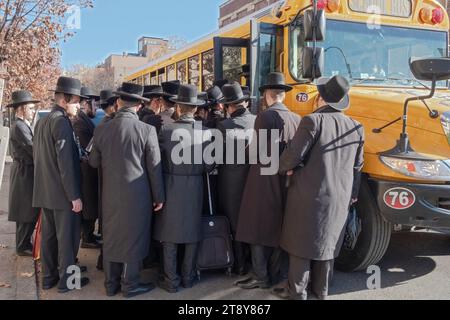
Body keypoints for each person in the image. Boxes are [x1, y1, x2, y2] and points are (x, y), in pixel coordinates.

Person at [274, 76, 365, 300]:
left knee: (301, 244)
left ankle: (297, 292)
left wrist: (283, 167)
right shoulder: (357, 126)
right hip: (341, 196)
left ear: (321, 98)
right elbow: (358, 166)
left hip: (309, 194)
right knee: (327, 243)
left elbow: (292, 156)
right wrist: (353, 195)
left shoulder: (312, 121)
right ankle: (321, 291)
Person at [89, 82, 165, 299]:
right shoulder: (146, 130)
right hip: (138, 194)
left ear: (119, 102)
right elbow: (154, 167)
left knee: (112, 235)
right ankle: (130, 284)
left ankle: (110, 284)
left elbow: (93, 162)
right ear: (139, 106)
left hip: (110, 194)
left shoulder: (102, 128)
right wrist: (159, 196)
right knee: (134, 236)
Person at [235, 72, 301, 290]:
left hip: (263, 178)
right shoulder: (296, 118)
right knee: (276, 228)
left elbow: (256, 152)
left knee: (256, 228)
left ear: (266, 95)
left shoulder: (264, 116)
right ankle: (274, 274)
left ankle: (260, 276)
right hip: (285, 179)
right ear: (282, 95)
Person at [154, 84, 213, 293]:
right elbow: (209, 165)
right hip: (195, 187)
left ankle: (171, 280)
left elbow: (156, 162)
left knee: (170, 235)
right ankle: (188, 278)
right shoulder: (205, 133)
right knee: (192, 233)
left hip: (171, 186)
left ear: (178, 107)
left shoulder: (166, 130)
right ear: (195, 109)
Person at [33, 76, 89, 293]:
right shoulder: (62, 122)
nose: (79, 105)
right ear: (65, 100)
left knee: (48, 239)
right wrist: (74, 196)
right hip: (63, 194)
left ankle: (48, 278)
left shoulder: (43, 120)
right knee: (68, 240)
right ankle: (69, 281)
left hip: (45, 192)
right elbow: (65, 164)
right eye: (76, 101)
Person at [216, 82, 256, 275]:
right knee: (253, 220)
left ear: (228, 106)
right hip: (255, 180)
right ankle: (255, 263)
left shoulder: (224, 125)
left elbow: (215, 156)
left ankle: (240, 264)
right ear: (245, 103)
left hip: (231, 183)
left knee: (235, 224)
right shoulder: (258, 121)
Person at [6, 90, 40, 257]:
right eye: (31, 108)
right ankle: (22, 245)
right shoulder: (19, 126)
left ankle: (24, 243)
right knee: (26, 210)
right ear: (21, 109)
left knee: (26, 210)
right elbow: (32, 148)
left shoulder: (22, 125)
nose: (33, 111)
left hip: (24, 171)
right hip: (24, 173)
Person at [73, 87, 100, 249]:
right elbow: (86, 148)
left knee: (90, 206)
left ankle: (89, 235)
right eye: (94, 104)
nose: (96, 107)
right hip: (86, 171)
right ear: (85, 104)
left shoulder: (83, 119)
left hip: (89, 169)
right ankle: (87, 238)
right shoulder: (79, 122)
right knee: (88, 207)